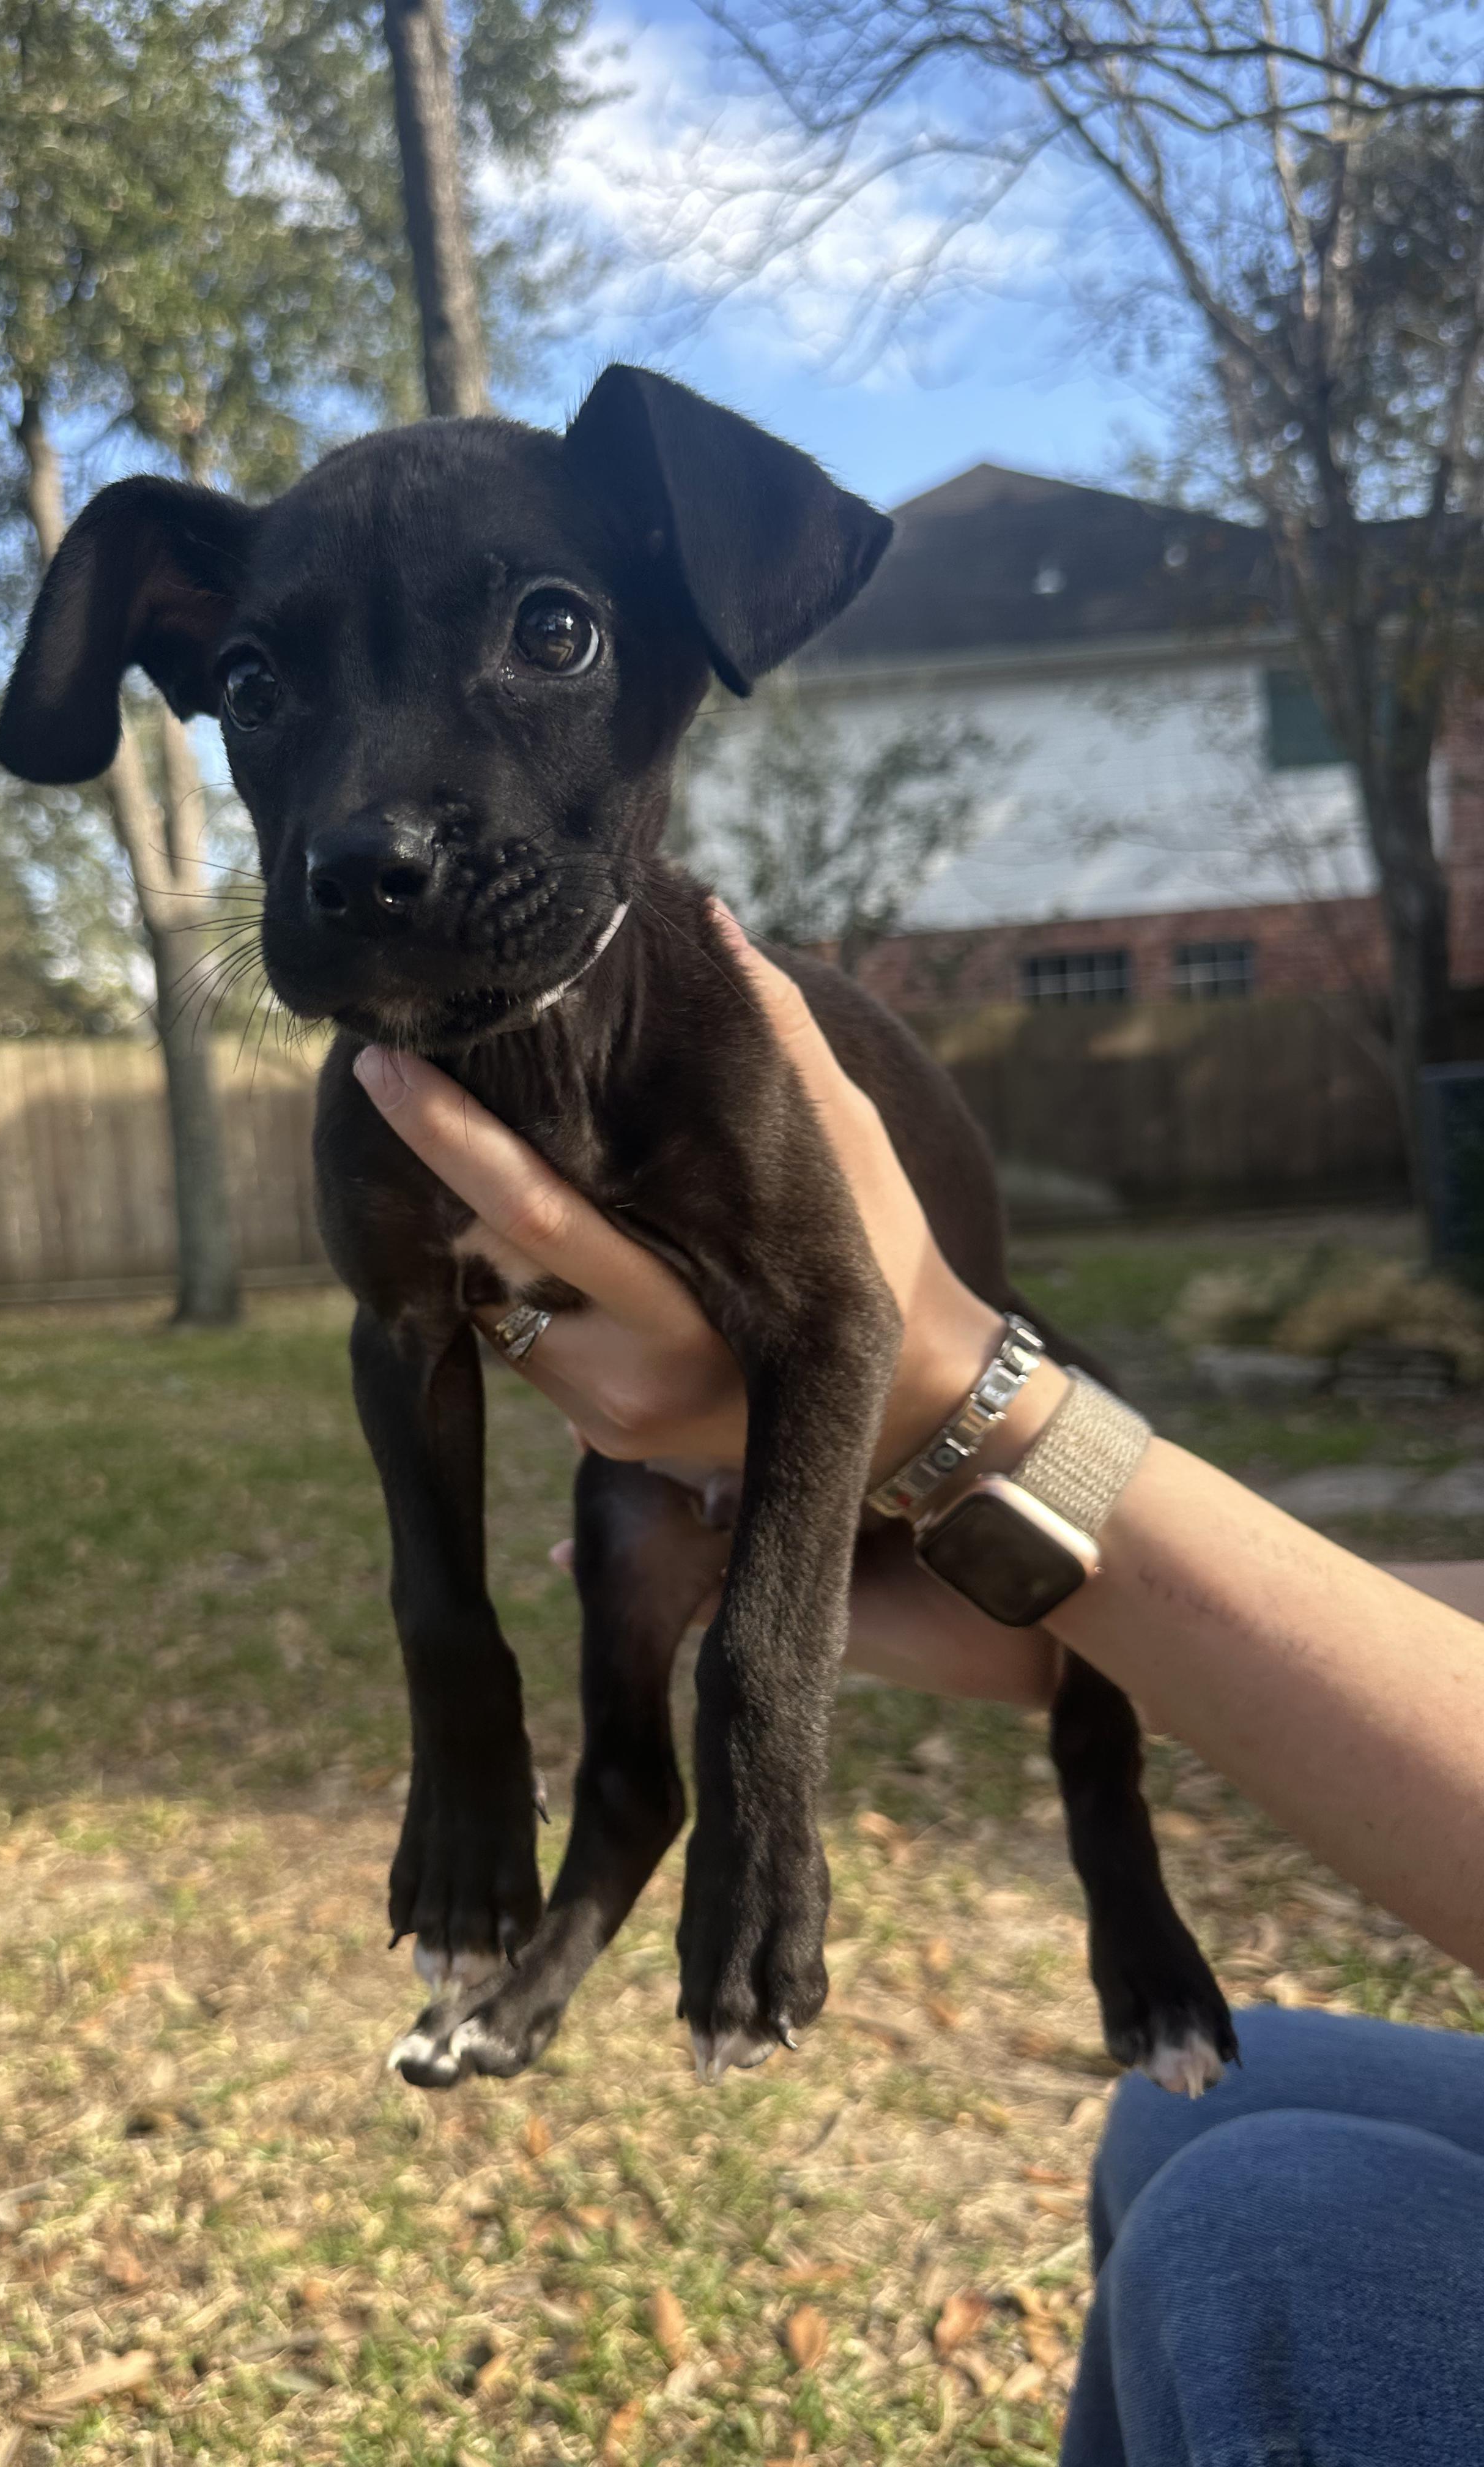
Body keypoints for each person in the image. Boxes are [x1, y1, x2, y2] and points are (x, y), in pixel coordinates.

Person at [351, 899, 1484, 2467]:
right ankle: (547, 1963)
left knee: (1255, 2236)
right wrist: (1149, 1598)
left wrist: (972, 1420)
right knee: (1197, 2114)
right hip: (711, 1482)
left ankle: (1124, 1884)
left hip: (880, 1400)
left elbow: (872, 1326)